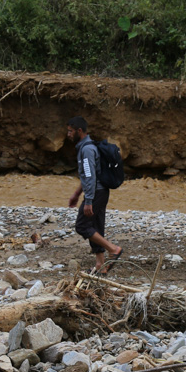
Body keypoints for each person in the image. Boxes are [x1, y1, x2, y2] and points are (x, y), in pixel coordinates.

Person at [66, 116, 123, 273]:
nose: (68, 135)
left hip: (96, 193)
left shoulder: (87, 150)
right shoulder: (87, 148)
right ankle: (101, 265)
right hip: (100, 191)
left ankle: (113, 249)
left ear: (79, 131)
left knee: (82, 226)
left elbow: (90, 176)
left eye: (70, 131)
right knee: (96, 226)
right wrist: (77, 194)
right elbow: (86, 176)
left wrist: (89, 200)